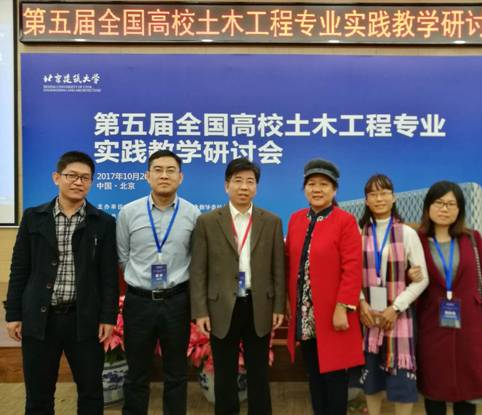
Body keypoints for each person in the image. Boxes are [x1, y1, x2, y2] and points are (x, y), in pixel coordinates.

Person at [4, 150, 119, 414]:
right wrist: (13, 313)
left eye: (85, 178)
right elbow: (19, 268)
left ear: (91, 182)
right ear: (57, 177)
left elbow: (108, 275)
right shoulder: (33, 217)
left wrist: (108, 317)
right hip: (40, 319)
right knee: (38, 395)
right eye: (72, 176)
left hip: (84, 320)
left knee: (91, 393)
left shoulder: (103, 222)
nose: (78, 182)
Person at [190, 157, 285, 415]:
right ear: (226, 185)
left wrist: (279, 306)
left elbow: (278, 268)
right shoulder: (208, 221)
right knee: (224, 372)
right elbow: (198, 270)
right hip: (221, 307)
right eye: (238, 181)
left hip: (258, 304)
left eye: (250, 181)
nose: (244, 186)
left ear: (256, 187)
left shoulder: (272, 221)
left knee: (259, 372)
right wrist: (200, 311)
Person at [117, 149, 200, 415]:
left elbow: (195, 258)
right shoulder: (128, 212)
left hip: (176, 302)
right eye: (158, 170)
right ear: (147, 175)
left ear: (180, 177)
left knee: (176, 373)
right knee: (137, 372)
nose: (164, 175)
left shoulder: (192, 214)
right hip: (139, 302)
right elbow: (123, 256)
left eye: (170, 170)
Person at [416, 181, 482, 415]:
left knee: (469, 388)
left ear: (460, 210)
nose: (444, 209)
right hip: (431, 324)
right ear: (428, 207)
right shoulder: (417, 240)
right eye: (439, 202)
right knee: (434, 387)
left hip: (470, 324)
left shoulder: (472, 239)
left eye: (451, 204)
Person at [286, 158, 364, 415]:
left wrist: (343, 307)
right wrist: (289, 302)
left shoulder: (345, 221)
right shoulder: (296, 219)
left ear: (334, 190)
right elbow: (289, 264)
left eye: (323, 184)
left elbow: (352, 268)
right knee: (314, 374)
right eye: (311, 184)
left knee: (334, 375)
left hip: (333, 313)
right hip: (305, 314)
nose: (317, 189)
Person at [356, 174, 429, 415]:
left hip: (399, 317)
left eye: (384, 193)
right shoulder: (357, 232)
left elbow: (422, 279)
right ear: (366, 200)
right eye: (373, 194)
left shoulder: (407, 233)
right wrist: (362, 303)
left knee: (402, 380)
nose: (379, 199)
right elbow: (349, 274)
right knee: (371, 379)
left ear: (393, 197)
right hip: (368, 317)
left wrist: (396, 307)